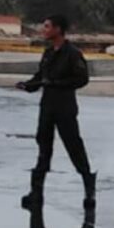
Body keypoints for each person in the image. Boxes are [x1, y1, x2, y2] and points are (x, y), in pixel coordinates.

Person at [17, 14, 95, 209]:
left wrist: (57, 84)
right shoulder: (48, 52)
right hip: (47, 107)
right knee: (43, 147)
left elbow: (81, 79)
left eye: (47, 27)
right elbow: (40, 77)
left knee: (74, 147)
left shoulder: (73, 53)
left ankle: (89, 190)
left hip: (65, 108)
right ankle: (36, 193)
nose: (43, 30)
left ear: (58, 29)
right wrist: (28, 85)